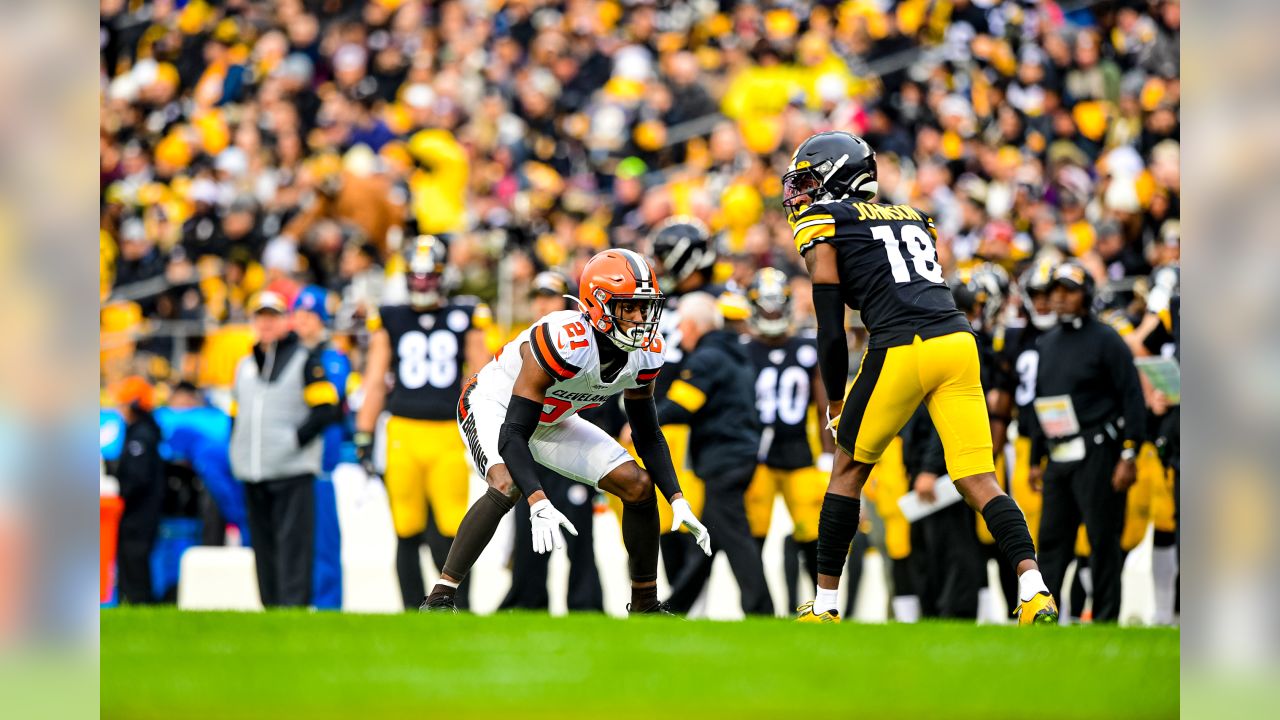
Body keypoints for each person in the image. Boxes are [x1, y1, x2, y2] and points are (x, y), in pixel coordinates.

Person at [783, 131, 1055, 624]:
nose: (798, 193)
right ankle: (1034, 589)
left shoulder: (825, 221)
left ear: (837, 175)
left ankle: (823, 604)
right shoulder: (913, 216)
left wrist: (837, 400)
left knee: (847, 471)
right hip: (957, 340)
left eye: (807, 180)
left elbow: (830, 326)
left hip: (903, 345)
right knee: (980, 479)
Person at [423, 248, 711, 615]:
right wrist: (538, 500)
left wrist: (675, 497)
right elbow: (513, 433)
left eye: (645, 307)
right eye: (629, 307)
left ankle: (645, 606)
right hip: (494, 406)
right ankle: (441, 597)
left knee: (638, 486)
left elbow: (647, 432)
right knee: (506, 484)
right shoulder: (564, 339)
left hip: (552, 418)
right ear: (598, 304)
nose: (640, 318)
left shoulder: (645, 352)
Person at [354, 236, 491, 611]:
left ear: (443, 277)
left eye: (429, 277)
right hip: (403, 432)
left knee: (452, 527)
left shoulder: (466, 313)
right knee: (406, 527)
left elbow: (482, 376)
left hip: (448, 433)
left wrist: (489, 429)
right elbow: (375, 378)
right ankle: (410, 610)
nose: (422, 284)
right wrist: (364, 431)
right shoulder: (391, 316)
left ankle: (461, 605)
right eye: (416, 277)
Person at [1025, 262, 1147, 623]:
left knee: (1102, 542)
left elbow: (1132, 398)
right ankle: (1044, 615)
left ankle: (1106, 618)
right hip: (1059, 455)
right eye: (1055, 291)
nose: (1059, 298)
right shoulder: (1047, 342)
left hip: (1099, 452)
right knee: (1050, 542)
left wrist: (1130, 452)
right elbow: (1041, 401)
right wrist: (1035, 457)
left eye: (1068, 290)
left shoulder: (1107, 339)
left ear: (1087, 295)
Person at [659, 292, 773, 617]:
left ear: (694, 325)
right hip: (740, 454)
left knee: (735, 538)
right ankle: (675, 606)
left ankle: (761, 609)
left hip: (724, 457)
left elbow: (682, 406)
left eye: (682, 324)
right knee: (706, 539)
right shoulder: (734, 352)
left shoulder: (707, 358)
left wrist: (641, 421)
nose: (680, 332)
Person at [229, 291, 341, 608]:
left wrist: (294, 441)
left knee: (293, 545)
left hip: (291, 470)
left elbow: (327, 409)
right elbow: (237, 414)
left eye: (272, 317)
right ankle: (270, 608)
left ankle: (293, 607)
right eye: (260, 317)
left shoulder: (305, 359)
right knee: (262, 546)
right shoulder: (245, 365)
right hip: (254, 470)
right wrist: (237, 449)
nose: (265, 323)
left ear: (283, 321)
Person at [500, 271, 604, 612]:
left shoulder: (584, 344)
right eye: (537, 296)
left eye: (551, 295)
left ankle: (586, 607)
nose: (542, 303)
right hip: (530, 452)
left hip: (572, 450)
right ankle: (527, 603)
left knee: (579, 537)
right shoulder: (520, 343)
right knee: (532, 532)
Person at [741, 267, 833, 610]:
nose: (773, 314)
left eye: (777, 306)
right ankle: (757, 607)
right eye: (766, 307)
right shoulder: (744, 349)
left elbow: (825, 402)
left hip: (799, 453)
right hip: (758, 456)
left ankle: (823, 604)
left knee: (813, 534)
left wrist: (827, 454)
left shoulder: (807, 347)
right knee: (754, 537)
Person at [291, 285, 350, 610]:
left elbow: (328, 404)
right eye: (298, 313)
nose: (302, 321)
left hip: (320, 462)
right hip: (292, 462)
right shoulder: (288, 355)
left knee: (324, 539)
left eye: (310, 315)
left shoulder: (332, 358)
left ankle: (328, 605)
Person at [112, 376, 165, 605]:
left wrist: (119, 489)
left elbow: (138, 477)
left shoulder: (141, 435)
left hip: (140, 511)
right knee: (130, 558)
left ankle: (139, 600)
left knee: (135, 558)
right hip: (139, 511)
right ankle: (131, 599)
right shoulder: (141, 431)